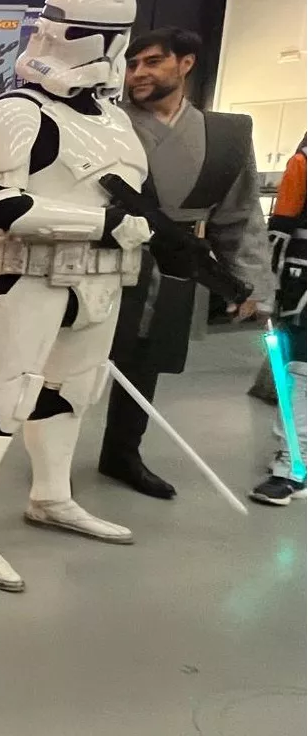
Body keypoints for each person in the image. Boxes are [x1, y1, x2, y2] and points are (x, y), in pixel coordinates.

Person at [0, 0, 153, 593]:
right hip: (31, 276)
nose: (107, 52)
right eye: (92, 35)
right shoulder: (14, 114)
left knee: (74, 390)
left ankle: (51, 495)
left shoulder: (117, 122)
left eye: (116, 37)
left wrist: (126, 231)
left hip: (102, 281)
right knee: (6, 395)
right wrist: (104, 222)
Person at [99, 27, 273, 499]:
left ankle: (122, 453)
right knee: (71, 365)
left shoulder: (225, 135)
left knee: (146, 362)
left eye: (152, 62)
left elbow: (239, 217)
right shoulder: (104, 122)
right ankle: (50, 466)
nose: (138, 74)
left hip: (177, 263)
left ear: (186, 63)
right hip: (103, 255)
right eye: (132, 65)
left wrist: (254, 283)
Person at [251, 135, 306, 506]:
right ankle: (294, 466)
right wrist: (265, 286)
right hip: (304, 285)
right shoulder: (303, 163)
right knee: (301, 372)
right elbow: (280, 229)